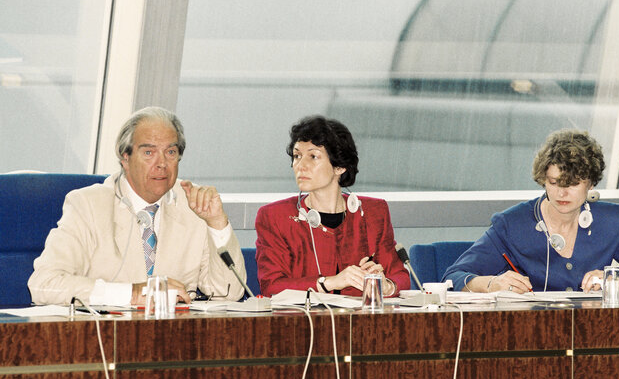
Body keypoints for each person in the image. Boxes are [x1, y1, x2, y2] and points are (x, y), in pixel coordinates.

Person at [28, 106, 246, 305]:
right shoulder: (87, 205)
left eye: (170, 152)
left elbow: (228, 293)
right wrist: (133, 294)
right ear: (125, 158)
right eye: (149, 153)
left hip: (174, 336)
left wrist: (217, 223)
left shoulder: (194, 205)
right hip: (104, 337)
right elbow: (44, 285)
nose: (161, 164)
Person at [442, 128, 619, 293]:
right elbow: (452, 277)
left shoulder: (609, 222)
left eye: (573, 184)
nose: (561, 193)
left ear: (591, 183)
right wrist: (493, 283)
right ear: (543, 179)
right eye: (554, 182)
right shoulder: (512, 224)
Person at [255, 115, 410, 297]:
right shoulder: (275, 216)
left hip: (361, 322)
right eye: (297, 156)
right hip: (303, 323)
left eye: (313, 157)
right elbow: (271, 286)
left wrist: (386, 285)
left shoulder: (373, 212)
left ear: (340, 167)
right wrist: (331, 282)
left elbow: (401, 276)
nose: (300, 166)